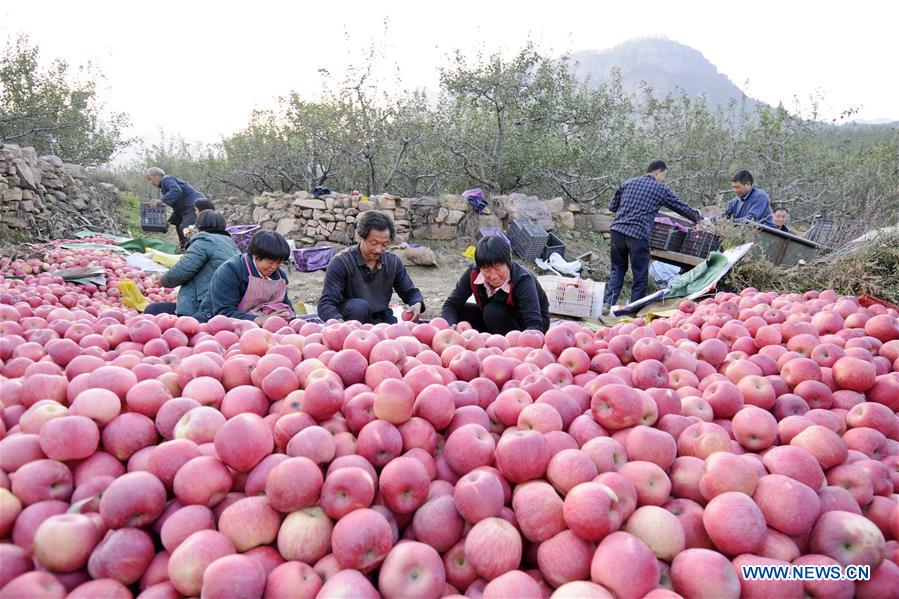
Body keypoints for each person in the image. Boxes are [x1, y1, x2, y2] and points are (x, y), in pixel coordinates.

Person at [605, 160, 703, 307]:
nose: (663, 178)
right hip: (638, 235)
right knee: (640, 275)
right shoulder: (660, 189)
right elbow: (679, 206)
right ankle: (633, 310)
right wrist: (698, 218)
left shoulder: (628, 183)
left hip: (617, 232)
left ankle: (607, 305)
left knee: (617, 270)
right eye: (664, 175)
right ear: (658, 172)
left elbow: (612, 207)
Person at [317, 211, 424, 324]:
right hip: (353, 320)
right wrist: (339, 324)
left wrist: (417, 304)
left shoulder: (393, 262)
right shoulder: (341, 262)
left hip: (381, 319)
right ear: (361, 237)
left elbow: (410, 292)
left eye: (384, 244)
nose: (379, 250)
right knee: (359, 307)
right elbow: (326, 304)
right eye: (374, 243)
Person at [442, 235, 550, 334]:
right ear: (480, 267)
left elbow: (534, 323)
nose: (493, 276)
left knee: (492, 312)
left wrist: (525, 341)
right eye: (486, 269)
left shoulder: (523, 280)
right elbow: (451, 304)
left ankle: (502, 345)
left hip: (528, 324)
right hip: (495, 318)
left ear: (508, 262)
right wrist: (451, 328)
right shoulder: (473, 273)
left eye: (498, 268)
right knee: (462, 311)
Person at [144, 210, 241, 319]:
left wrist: (162, 281)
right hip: (226, 306)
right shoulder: (232, 245)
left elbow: (182, 271)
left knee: (152, 310)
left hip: (203, 307)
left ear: (200, 225)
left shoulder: (205, 240)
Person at [208, 230, 295, 325]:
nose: (274, 267)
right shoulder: (230, 271)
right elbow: (224, 313)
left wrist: (287, 316)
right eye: (270, 262)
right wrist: (261, 320)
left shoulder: (279, 277)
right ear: (255, 255)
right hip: (221, 326)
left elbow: (287, 306)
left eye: (279, 262)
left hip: (264, 329)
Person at [145, 167, 207, 250]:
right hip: (186, 208)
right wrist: (169, 222)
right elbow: (177, 207)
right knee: (177, 223)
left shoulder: (166, 179)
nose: (150, 182)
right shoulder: (164, 186)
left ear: (156, 176)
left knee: (186, 228)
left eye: (150, 179)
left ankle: (192, 251)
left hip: (195, 204)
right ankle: (183, 247)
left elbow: (177, 190)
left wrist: (160, 200)